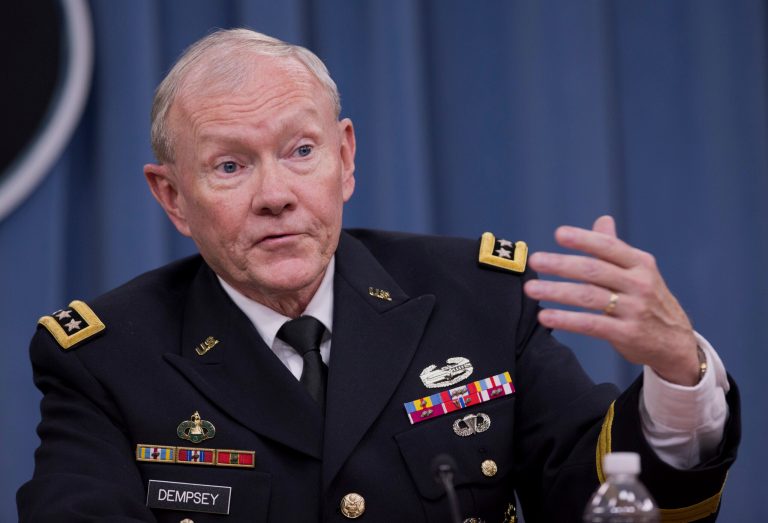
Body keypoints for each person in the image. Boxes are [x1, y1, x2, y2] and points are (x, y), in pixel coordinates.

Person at [17, 29, 739, 522]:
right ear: (172, 196)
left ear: (346, 157)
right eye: (230, 165)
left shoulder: (479, 302)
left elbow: (603, 497)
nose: (276, 193)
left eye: (301, 150)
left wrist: (678, 371)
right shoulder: (106, 362)